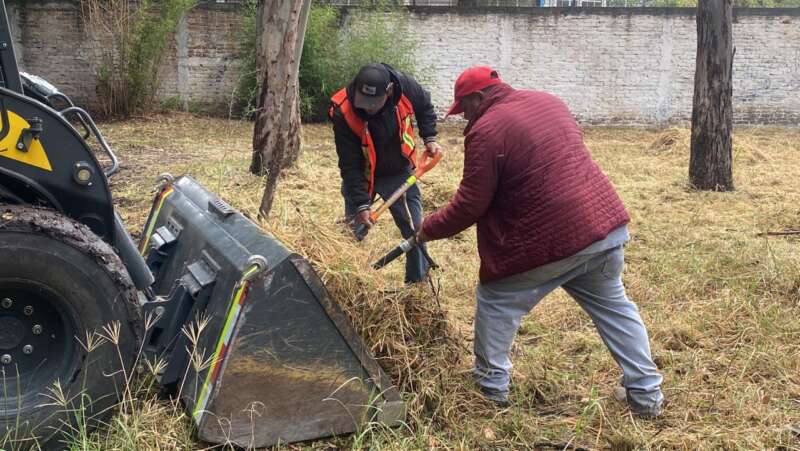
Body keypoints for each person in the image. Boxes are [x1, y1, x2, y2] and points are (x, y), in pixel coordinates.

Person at [416, 66, 664, 417]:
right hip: (600, 227)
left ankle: (491, 391)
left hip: (550, 238)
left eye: (465, 108)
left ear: (479, 97)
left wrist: (426, 230)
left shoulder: (487, 130)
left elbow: (470, 204)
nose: (465, 117)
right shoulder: (550, 101)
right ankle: (647, 395)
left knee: (496, 301)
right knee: (615, 309)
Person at [329, 63, 441, 284]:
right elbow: (349, 164)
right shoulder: (343, 110)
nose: (367, 109)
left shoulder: (405, 86)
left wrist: (429, 137)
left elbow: (424, 105)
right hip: (362, 173)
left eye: (373, 104)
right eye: (364, 102)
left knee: (415, 230)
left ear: (389, 91)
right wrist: (362, 204)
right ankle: (345, 282)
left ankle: (417, 283)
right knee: (353, 229)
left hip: (398, 171)